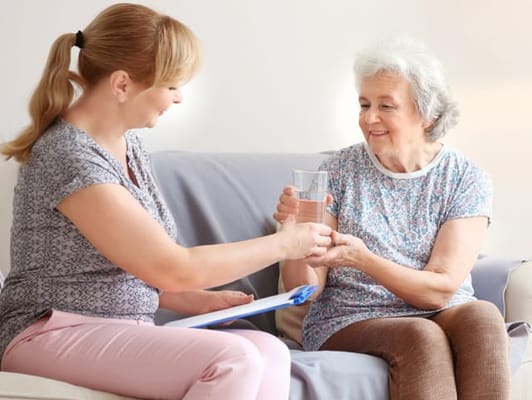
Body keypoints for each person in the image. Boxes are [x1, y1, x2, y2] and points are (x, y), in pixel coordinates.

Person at [0, 4, 332, 400]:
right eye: (172, 85)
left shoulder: (129, 146)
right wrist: (285, 244)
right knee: (234, 359)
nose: (177, 98)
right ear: (122, 85)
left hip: (116, 326)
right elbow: (172, 267)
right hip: (48, 331)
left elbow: (124, 269)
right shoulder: (69, 156)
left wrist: (190, 300)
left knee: (271, 351)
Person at [274, 36, 511, 399]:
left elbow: (441, 289)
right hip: (350, 317)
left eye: (387, 106)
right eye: (364, 104)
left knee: (483, 317)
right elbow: (304, 291)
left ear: (427, 114)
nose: (370, 118)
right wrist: (293, 236)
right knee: (419, 334)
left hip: (440, 309)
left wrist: (362, 259)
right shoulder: (338, 172)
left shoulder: (465, 178)